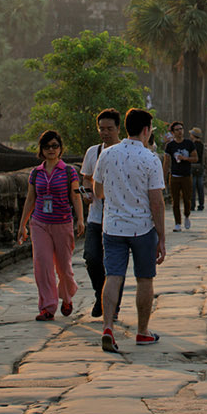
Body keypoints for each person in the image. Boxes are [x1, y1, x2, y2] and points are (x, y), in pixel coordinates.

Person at [93, 107, 167, 353]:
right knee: (144, 279)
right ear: (146, 130)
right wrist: (162, 237)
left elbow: (97, 192)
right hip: (142, 228)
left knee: (113, 276)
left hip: (113, 226)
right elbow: (156, 201)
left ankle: (107, 326)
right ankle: (142, 331)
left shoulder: (107, 154)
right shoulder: (150, 159)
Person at [17, 129, 84, 321]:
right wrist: (22, 225)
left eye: (55, 146)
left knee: (63, 267)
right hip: (39, 223)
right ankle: (48, 306)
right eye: (47, 147)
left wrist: (80, 219)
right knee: (42, 264)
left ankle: (67, 295)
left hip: (62, 223)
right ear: (42, 150)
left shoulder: (69, 171)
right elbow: (30, 199)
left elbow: (75, 196)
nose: (51, 150)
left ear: (60, 148)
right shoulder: (35, 173)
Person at [80, 108, 125, 318]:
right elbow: (86, 177)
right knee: (92, 257)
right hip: (96, 216)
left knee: (115, 264)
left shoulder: (126, 151)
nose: (105, 132)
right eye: (102, 129)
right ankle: (101, 294)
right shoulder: (93, 152)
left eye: (109, 128)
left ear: (118, 128)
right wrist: (87, 192)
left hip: (119, 218)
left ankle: (112, 306)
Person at [163, 121, 197, 231]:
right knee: (175, 200)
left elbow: (196, 158)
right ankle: (177, 223)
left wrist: (185, 159)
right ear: (172, 132)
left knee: (187, 199)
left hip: (186, 175)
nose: (179, 131)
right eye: (177, 130)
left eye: (181, 129)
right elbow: (166, 162)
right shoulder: (170, 146)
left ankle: (187, 215)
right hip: (174, 176)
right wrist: (163, 177)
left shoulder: (189, 143)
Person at [189, 127, 207, 212]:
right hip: (199, 167)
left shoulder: (192, 144)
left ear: (193, 135)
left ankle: (192, 205)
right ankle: (201, 205)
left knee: (192, 187)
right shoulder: (201, 144)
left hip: (192, 166)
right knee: (200, 187)